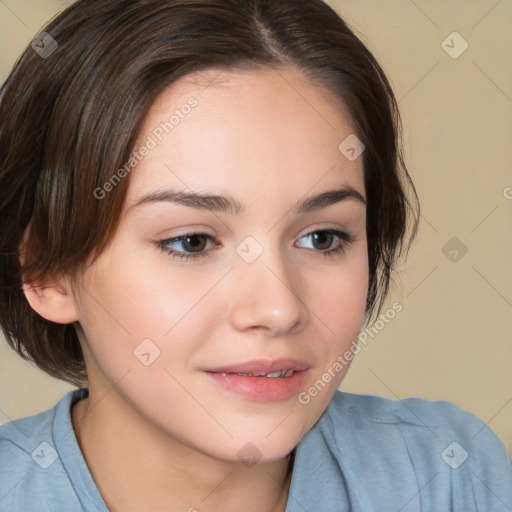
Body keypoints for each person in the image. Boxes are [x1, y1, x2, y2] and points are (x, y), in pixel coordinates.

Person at [0, 0, 510, 510]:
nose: (278, 309)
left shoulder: (448, 475)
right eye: (192, 241)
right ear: (49, 272)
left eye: (322, 237)